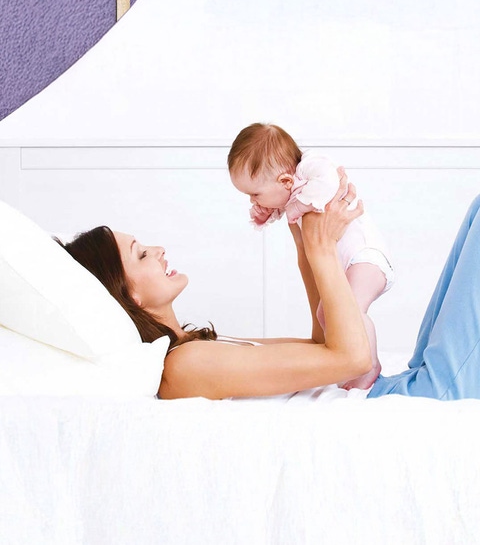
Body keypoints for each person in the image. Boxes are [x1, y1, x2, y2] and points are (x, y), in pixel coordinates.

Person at [61, 187, 480, 401]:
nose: (158, 250)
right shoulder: (183, 365)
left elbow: (326, 348)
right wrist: (321, 249)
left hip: (400, 390)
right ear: (127, 294)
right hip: (424, 400)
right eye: (141, 254)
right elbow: (350, 358)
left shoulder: (194, 347)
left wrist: (303, 236)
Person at [228, 122, 394, 389]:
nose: (252, 200)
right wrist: (267, 214)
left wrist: (298, 205)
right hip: (351, 264)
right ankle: (357, 365)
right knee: (326, 315)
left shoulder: (311, 165)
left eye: (255, 194)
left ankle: (369, 365)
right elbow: (288, 204)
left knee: (347, 313)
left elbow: (328, 182)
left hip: (366, 257)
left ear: (284, 180)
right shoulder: (293, 190)